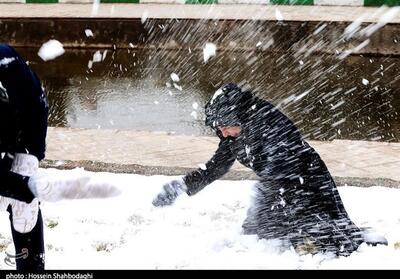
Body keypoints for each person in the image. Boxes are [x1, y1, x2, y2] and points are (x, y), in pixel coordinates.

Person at [152, 83, 387, 256]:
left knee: (325, 238)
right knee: (262, 233)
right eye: (218, 128)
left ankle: (365, 246)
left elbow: (279, 170)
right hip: (276, 184)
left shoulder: (268, 121)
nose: (223, 133)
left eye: (225, 127)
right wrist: (182, 185)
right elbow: (216, 166)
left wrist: (263, 203)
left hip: (306, 179)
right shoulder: (233, 134)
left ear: (237, 117)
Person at [0, 44, 119, 270]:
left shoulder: (6, 60)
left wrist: (31, 157)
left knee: (26, 213)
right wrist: (23, 187)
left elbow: (35, 103)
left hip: (14, 137)